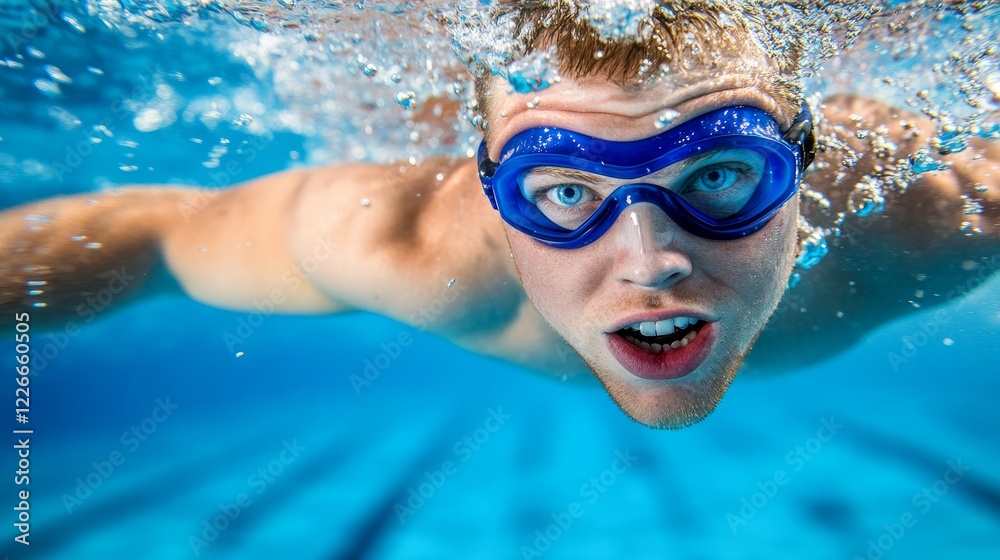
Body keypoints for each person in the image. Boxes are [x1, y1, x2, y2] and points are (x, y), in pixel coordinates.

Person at [1, 3, 997, 428]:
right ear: (488, 192)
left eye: (722, 177)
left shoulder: (938, 210)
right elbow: (152, 230)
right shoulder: (400, 244)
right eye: (564, 192)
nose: (649, 262)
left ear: (807, 166)